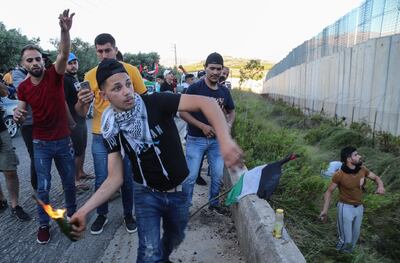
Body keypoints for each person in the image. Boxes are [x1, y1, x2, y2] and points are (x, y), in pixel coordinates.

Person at [70, 58, 243, 262]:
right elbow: (114, 178)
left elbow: (208, 103)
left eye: (128, 83)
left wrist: (225, 140)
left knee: (174, 237)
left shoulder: (156, 102)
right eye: (117, 88)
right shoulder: (111, 127)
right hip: (146, 194)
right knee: (149, 252)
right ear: (103, 95)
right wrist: (83, 211)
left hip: (178, 191)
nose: (127, 91)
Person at [13, 9, 76, 244]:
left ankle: (71, 215)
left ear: (43, 60)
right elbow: (20, 111)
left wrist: (64, 31)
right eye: (29, 60)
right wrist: (18, 114)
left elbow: (63, 53)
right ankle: (43, 224)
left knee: (69, 183)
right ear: (23, 64)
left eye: (38, 58)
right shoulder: (23, 88)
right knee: (44, 188)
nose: (35, 62)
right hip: (41, 143)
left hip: (63, 140)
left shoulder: (55, 75)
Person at [75, 33, 147, 235]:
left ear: (115, 49)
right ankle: (102, 214)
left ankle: (128, 215)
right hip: (101, 136)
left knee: (127, 178)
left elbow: (144, 100)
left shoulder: (130, 71)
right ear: (95, 51)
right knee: (101, 178)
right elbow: (80, 113)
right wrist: (82, 102)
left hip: (127, 135)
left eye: (108, 50)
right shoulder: (89, 75)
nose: (104, 54)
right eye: (100, 51)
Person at [180, 52, 236, 214]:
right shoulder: (195, 88)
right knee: (190, 177)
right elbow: (182, 112)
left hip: (216, 142)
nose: (215, 72)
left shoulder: (224, 92)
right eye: (212, 68)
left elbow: (231, 111)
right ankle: (185, 207)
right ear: (205, 68)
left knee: (217, 176)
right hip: (195, 140)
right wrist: (202, 126)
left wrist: (229, 125)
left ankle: (214, 203)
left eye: (219, 69)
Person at [320, 146, 385, 253]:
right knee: (346, 240)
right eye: (356, 155)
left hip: (359, 208)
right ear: (349, 159)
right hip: (345, 208)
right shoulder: (339, 175)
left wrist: (380, 186)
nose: (359, 156)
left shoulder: (362, 169)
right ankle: (336, 256)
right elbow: (329, 191)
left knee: (354, 240)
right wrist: (325, 210)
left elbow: (376, 178)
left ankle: (347, 257)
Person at [0, 79, 31, 221]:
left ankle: (15, 205)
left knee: (10, 170)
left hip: (0, 132)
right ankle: (1, 199)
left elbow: (6, 91)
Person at [64, 53, 93, 192]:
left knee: (81, 148)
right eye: (70, 63)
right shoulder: (64, 79)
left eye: (75, 62)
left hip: (80, 118)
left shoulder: (73, 78)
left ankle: (80, 173)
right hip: (73, 121)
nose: (73, 65)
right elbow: (62, 102)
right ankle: (74, 181)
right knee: (75, 151)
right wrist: (70, 122)